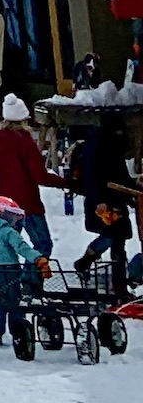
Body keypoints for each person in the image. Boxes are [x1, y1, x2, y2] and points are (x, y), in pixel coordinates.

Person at [68, 110, 134, 295]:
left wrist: (133, 192)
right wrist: (98, 200)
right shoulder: (95, 145)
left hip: (117, 198)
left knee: (119, 242)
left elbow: (121, 174)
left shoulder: (116, 145)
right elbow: (90, 175)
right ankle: (85, 262)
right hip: (102, 201)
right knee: (110, 236)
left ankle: (120, 286)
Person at [0, 93, 61, 256]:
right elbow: (39, 176)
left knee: (6, 247)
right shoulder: (25, 142)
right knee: (42, 245)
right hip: (27, 202)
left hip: (3, 199)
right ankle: (30, 280)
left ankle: (8, 280)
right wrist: (66, 182)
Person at [0, 195, 49, 349]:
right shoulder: (7, 232)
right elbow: (22, 247)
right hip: (9, 269)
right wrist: (38, 259)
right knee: (14, 300)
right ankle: (18, 330)